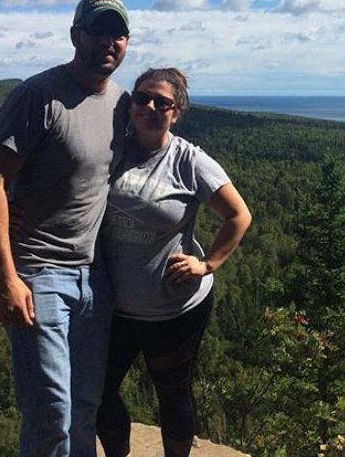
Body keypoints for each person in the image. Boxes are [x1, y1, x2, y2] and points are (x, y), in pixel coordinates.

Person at [0, 0, 131, 456]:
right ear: (74, 35)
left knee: (85, 407)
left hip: (94, 279)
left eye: (118, 32)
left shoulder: (124, 104)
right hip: (38, 274)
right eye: (98, 30)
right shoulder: (36, 96)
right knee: (51, 416)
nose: (109, 41)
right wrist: (4, 277)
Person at [96, 68, 251, 457]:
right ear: (130, 104)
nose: (150, 107)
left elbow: (239, 216)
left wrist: (207, 264)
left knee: (172, 392)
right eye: (142, 98)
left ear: (176, 111)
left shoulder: (189, 160)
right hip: (115, 306)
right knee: (97, 387)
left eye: (162, 102)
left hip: (174, 308)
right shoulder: (112, 149)